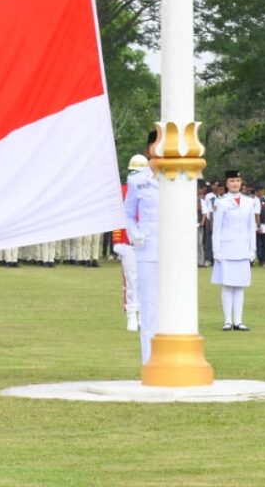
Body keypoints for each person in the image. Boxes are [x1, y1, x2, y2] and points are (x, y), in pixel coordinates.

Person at [123, 131, 159, 364]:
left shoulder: (180, 177)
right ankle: (149, 362)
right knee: (149, 307)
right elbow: (127, 213)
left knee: (174, 308)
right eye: (156, 146)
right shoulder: (138, 180)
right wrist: (135, 234)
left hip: (175, 250)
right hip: (148, 247)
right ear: (148, 151)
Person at [211, 170, 258, 331]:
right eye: (232, 181)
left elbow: (251, 227)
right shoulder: (221, 202)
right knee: (227, 285)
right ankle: (227, 320)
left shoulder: (249, 202)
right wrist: (216, 250)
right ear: (226, 183)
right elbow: (217, 228)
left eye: (237, 180)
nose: (235, 184)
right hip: (226, 248)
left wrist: (252, 248)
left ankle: (238, 320)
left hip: (243, 248)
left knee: (239, 285)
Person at [115, 154, 146, 332]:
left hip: (146, 242)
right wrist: (118, 239)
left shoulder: (151, 189)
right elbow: (117, 219)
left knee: (146, 280)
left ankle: (143, 314)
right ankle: (131, 314)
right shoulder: (122, 191)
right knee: (131, 279)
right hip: (128, 241)